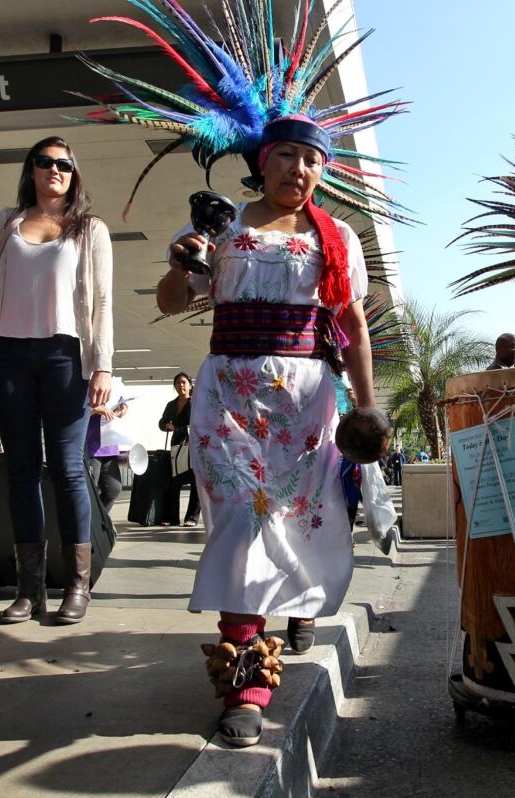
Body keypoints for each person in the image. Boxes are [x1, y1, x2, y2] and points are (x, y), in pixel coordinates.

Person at [158, 115, 376, 747]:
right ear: (263, 159)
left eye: (311, 159)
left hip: (305, 407)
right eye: (286, 155)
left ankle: (298, 603)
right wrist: (183, 261)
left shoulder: (337, 238)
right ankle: (247, 684)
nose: (299, 169)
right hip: (225, 398)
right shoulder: (220, 225)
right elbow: (174, 300)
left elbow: (354, 327)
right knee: (241, 522)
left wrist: (365, 409)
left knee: (298, 519)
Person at [0, 136, 113, 626]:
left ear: (74, 172)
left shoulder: (90, 229)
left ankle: (76, 586)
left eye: (64, 163)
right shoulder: (8, 223)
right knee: (20, 470)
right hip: (10, 357)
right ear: (32, 170)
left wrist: (103, 365)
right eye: (44, 162)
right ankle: (29, 591)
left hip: (66, 355)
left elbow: (103, 302)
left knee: (67, 469)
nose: (54, 170)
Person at [159, 372, 200, 527]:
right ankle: (172, 517)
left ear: (190, 384)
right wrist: (166, 426)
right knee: (173, 482)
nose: (180, 385)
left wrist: (179, 429)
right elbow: (161, 423)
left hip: (193, 447)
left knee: (196, 483)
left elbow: (199, 424)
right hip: (176, 448)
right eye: (177, 383)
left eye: (183, 382)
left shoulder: (196, 403)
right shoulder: (171, 404)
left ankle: (192, 517)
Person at [87, 397, 129, 513]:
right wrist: (95, 409)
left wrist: (121, 410)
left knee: (113, 488)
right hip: (91, 447)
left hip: (110, 446)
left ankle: (99, 521)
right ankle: (89, 523)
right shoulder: (86, 383)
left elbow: (123, 405)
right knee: (91, 488)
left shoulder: (113, 386)